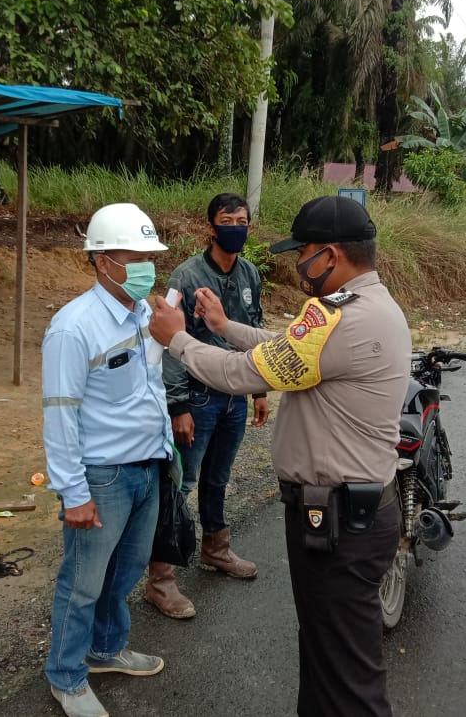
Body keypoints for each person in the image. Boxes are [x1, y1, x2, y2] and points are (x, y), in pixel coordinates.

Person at [149, 195, 411, 717]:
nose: (298, 264)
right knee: (326, 655)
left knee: (347, 674)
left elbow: (245, 374)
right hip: (344, 513)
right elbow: (282, 344)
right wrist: (224, 327)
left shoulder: (343, 318)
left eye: (304, 252)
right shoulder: (366, 307)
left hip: (340, 520)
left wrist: (178, 341)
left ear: (331, 255)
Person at [42, 202, 172, 717]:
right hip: (103, 478)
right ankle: (67, 676)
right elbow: (60, 415)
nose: (146, 266)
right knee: (82, 583)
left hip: (147, 468)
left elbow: (150, 387)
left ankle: (105, 649)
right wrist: (74, 494)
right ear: (102, 261)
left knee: (127, 571)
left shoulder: (148, 315)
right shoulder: (73, 327)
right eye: (134, 256)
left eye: (149, 255)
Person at [146, 192, 270, 619]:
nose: (236, 226)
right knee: (181, 483)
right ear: (210, 227)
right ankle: (160, 578)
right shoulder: (184, 276)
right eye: (227, 219)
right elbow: (167, 340)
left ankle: (216, 550)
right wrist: (178, 405)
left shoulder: (251, 273)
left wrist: (259, 391)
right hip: (197, 399)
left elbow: (253, 330)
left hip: (235, 399)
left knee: (218, 479)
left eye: (242, 219)